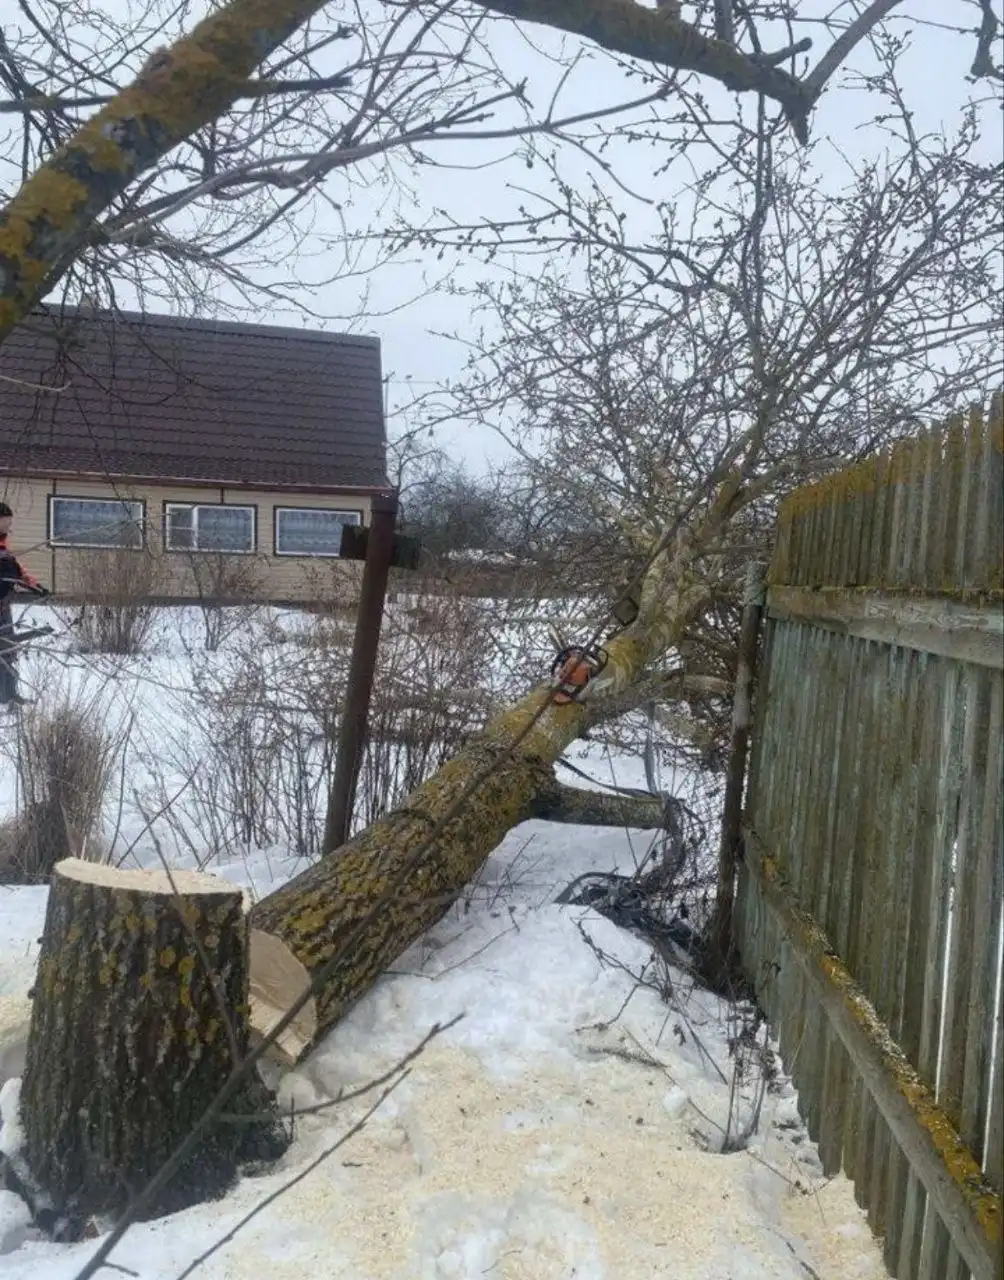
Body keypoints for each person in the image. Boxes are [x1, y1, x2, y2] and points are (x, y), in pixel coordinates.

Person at [0, 501, 48, 706]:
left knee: (8, 649)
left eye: (9, 523)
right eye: (5, 522)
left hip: (3, 606)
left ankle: (9, 694)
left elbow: (19, 572)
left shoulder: (4, 550)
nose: (8, 527)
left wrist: (37, 587)